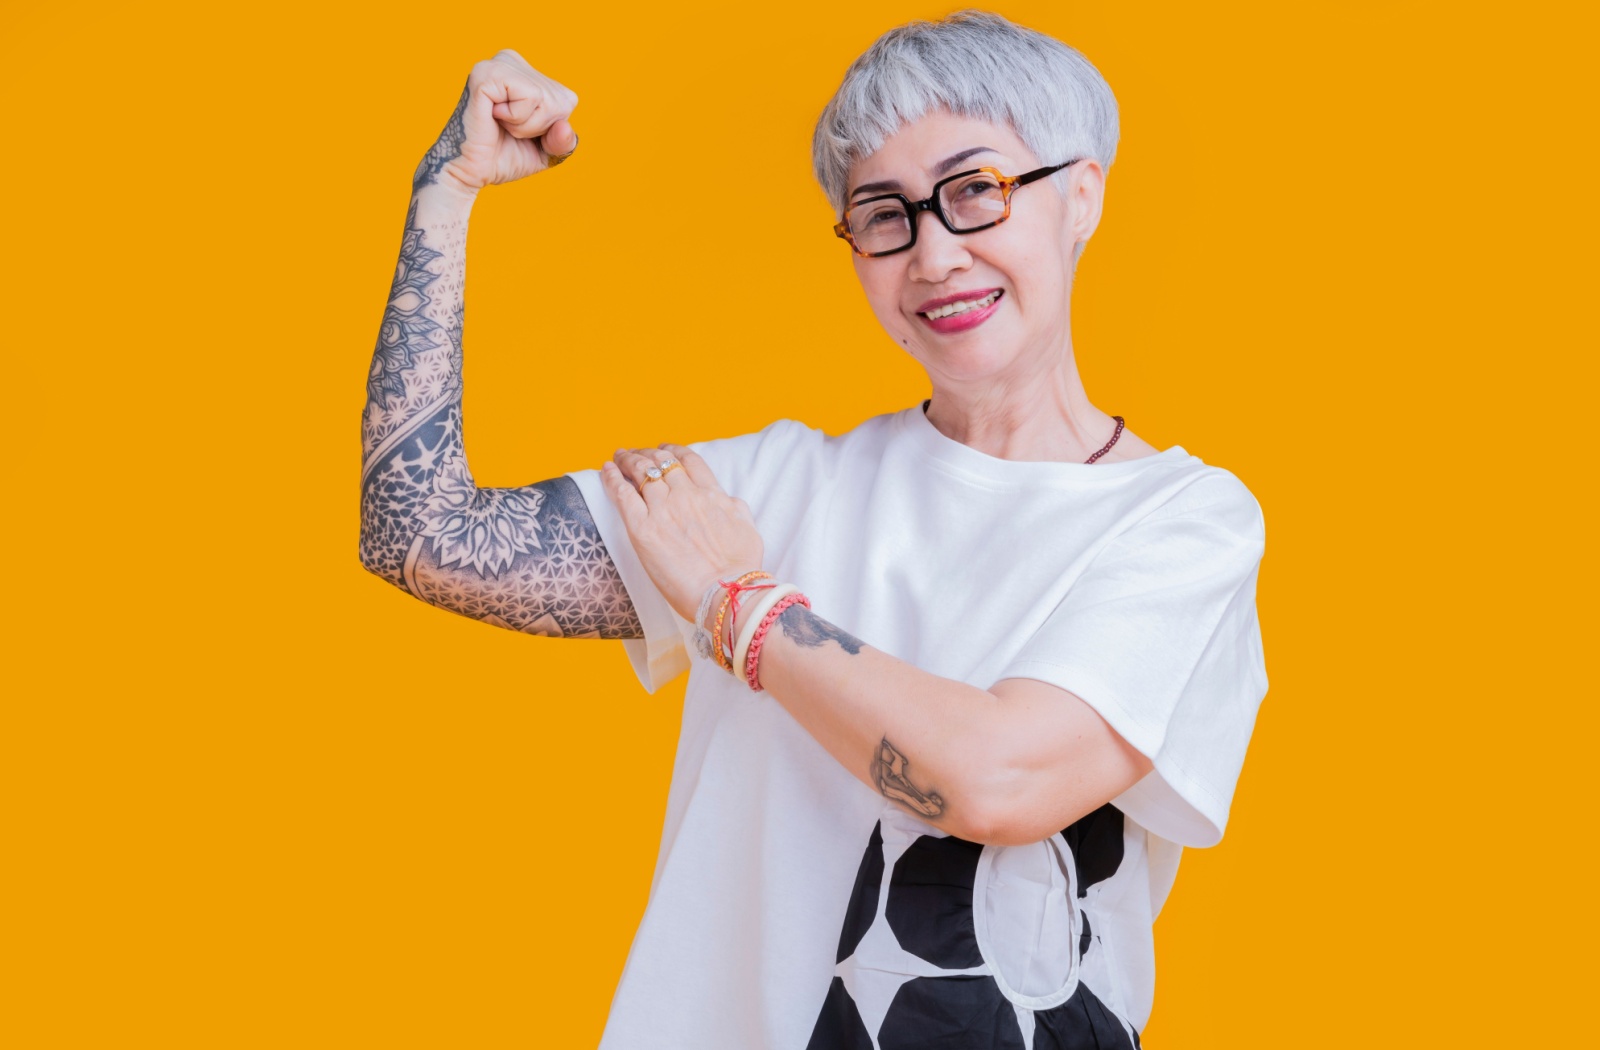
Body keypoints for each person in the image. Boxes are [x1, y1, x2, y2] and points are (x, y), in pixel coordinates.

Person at [358, 10, 1267, 1048]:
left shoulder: (1180, 525)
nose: (933, 254)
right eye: (883, 215)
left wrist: (734, 605)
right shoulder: (769, 491)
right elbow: (419, 533)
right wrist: (447, 191)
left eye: (975, 190)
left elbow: (999, 781)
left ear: (1082, 195)